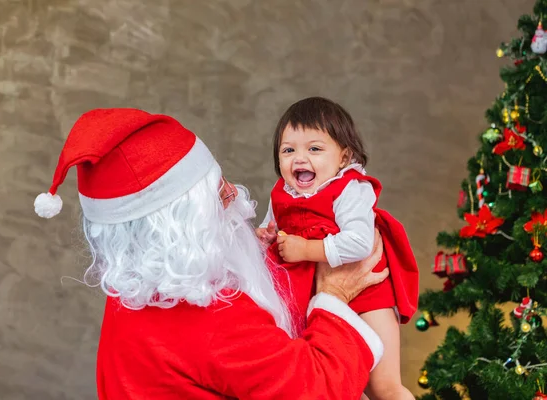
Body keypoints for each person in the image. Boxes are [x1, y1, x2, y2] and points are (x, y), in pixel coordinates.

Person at [33, 108, 389, 399]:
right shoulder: (214, 316)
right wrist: (335, 296)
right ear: (181, 224)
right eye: (216, 192)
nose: (233, 193)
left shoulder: (137, 283)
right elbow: (316, 390)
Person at [255, 97, 418, 400]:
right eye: (288, 150)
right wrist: (266, 235)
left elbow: (360, 243)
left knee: (385, 386)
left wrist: (305, 249)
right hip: (313, 295)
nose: (300, 159)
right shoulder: (282, 193)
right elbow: (273, 229)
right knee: (339, 385)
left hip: (367, 294)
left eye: (314, 149)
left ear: (344, 157)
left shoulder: (350, 188)